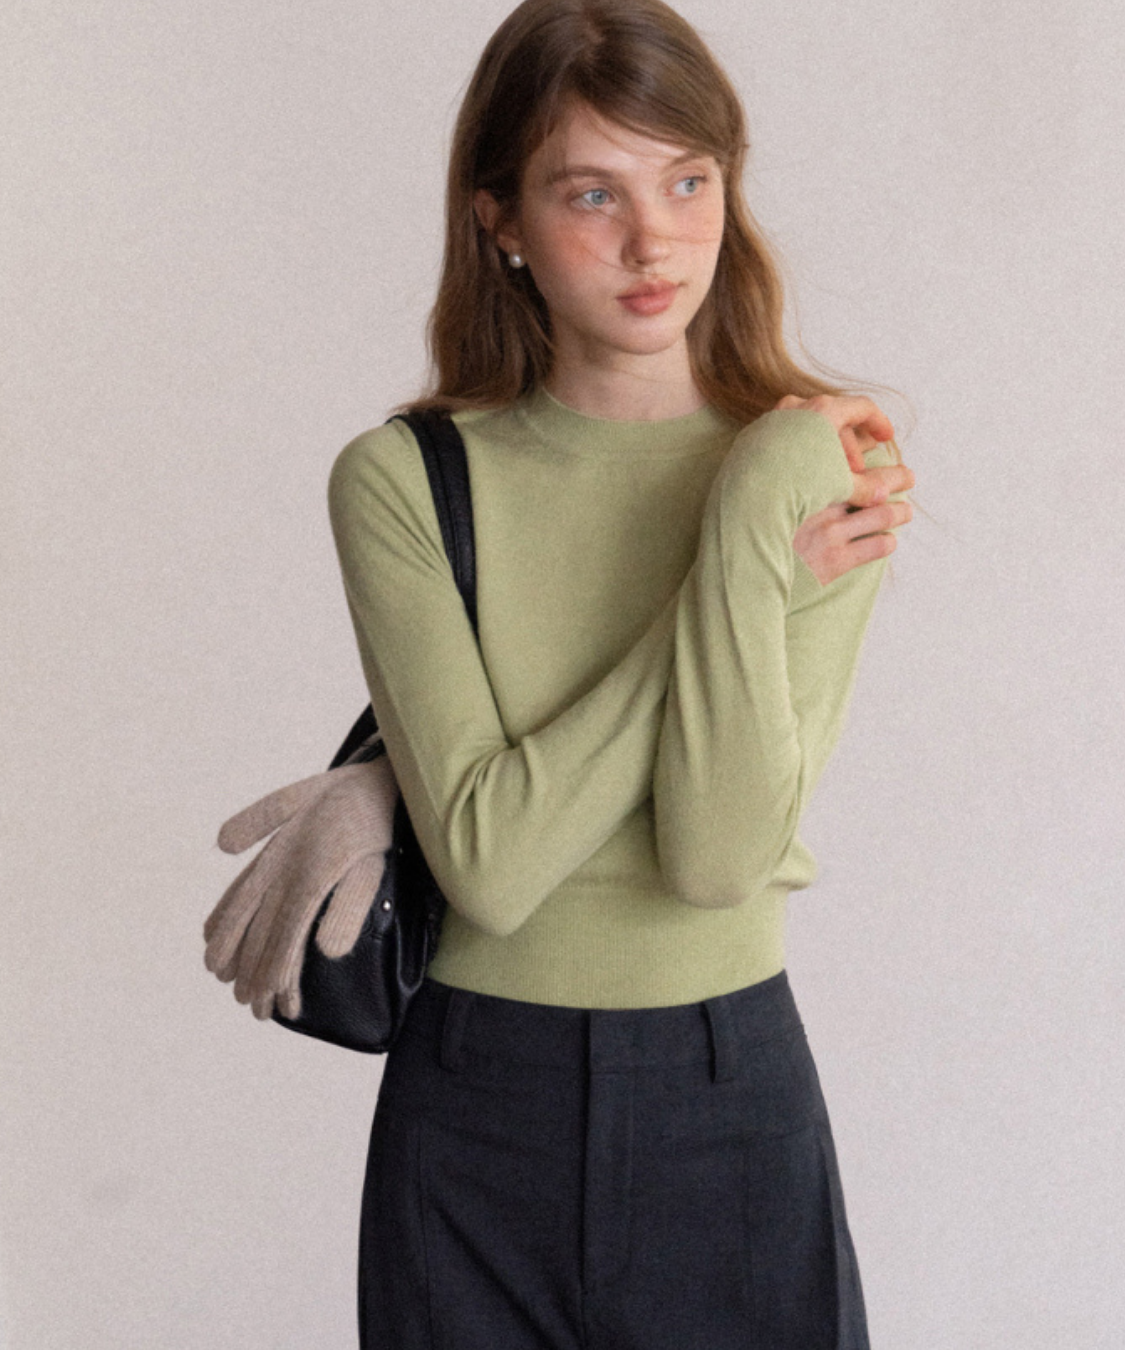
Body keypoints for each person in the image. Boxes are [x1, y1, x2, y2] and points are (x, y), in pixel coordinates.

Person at [327, 1, 914, 1346]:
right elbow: (491, 863)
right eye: (592, 192)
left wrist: (757, 499)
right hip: (474, 1114)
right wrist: (739, 558)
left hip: (729, 1094)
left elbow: (717, 857)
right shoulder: (405, 480)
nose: (655, 242)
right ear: (502, 220)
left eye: (687, 182)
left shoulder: (819, 469)